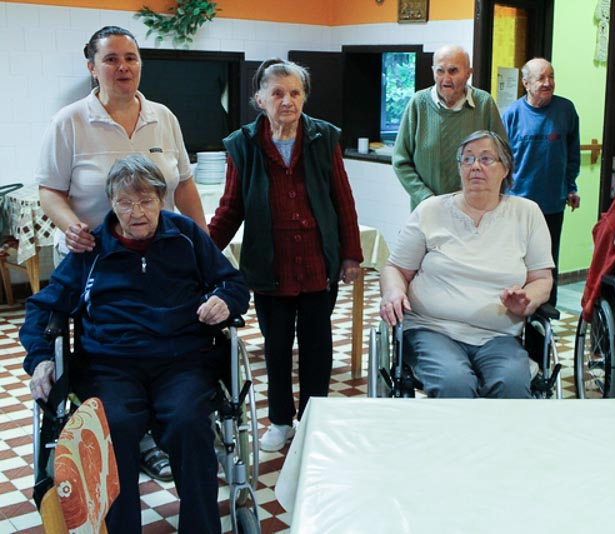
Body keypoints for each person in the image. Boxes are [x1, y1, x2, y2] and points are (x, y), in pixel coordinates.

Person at [21, 155, 250, 534]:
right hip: (110, 367)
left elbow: (232, 283)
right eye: (125, 202)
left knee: (190, 423)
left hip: (182, 361)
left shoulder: (186, 236)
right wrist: (42, 358)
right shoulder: (92, 248)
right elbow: (44, 307)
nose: (137, 212)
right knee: (114, 429)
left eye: (146, 201)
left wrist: (224, 300)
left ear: (161, 199)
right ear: (111, 203)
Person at [35, 25, 209, 480]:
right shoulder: (71, 121)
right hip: (96, 257)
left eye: (130, 58)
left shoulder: (162, 117)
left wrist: (203, 243)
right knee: (113, 351)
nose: (123, 67)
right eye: (111, 59)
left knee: (167, 336)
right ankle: (133, 435)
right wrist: (72, 227)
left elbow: (183, 184)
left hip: (161, 257)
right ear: (92, 67)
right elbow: (50, 190)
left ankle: (165, 426)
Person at [209, 59, 363, 452]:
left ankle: (313, 420)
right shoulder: (243, 145)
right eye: (277, 93)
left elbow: (343, 200)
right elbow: (230, 208)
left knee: (317, 346)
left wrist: (350, 255)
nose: (287, 101)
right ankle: (280, 421)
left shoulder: (324, 137)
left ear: (304, 97)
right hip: (269, 264)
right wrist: (201, 252)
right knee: (276, 348)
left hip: (317, 262)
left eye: (295, 93)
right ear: (259, 99)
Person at [380, 130, 554, 398]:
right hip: (432, 329)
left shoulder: (527, 213)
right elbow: (395, 269)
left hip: (498, 335)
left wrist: (527, 299)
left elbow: (542, 279)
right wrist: (393, 292)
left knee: (511, 384)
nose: (475, 166)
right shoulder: (431, 210)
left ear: (505, 168)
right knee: (454, 383)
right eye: (468, 159)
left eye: (486, 159)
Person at [502, 57, 580, 306]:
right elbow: (501, 161)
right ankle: (515, 311)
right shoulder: (511, 115)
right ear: (526, 83)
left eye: (551, 76)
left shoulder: (566, 110)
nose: (548, 83)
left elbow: (572, 153)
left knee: (548, 263)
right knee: (515, 262)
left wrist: (571, 187)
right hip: (517, 204)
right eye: (541, 78)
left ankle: (545, 314)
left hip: (552, 204)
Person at [392, 44, 508, 210]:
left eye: (453, 71)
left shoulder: (484, 104)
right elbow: (400, 161)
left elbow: (502, 159)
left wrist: (481, 193)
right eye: (440, 71)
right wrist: (426, 198)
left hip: (474, 210)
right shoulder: (418, 104)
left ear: (468, 73)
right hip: (428, 211)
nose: (446, 79)